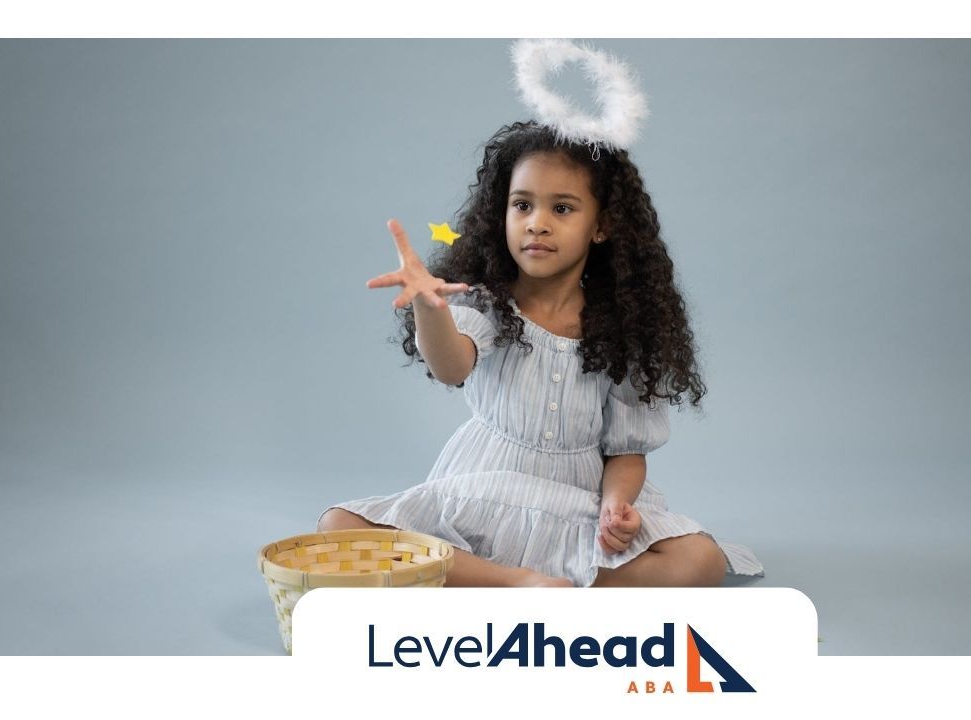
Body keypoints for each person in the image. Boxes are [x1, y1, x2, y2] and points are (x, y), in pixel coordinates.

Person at [317, 120, 763, 587]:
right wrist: (432, 308)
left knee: (700, 560)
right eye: (522, 205)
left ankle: (506, 587)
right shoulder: (487, 301)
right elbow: (451, 366)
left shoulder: (622, 330)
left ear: (601, 226)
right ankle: (515, 584)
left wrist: (617, 504)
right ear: (502, 215)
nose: (537, 222)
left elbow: (626, 451)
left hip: (578, 501)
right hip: (484, 492)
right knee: (339, 530)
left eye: (563, 208)